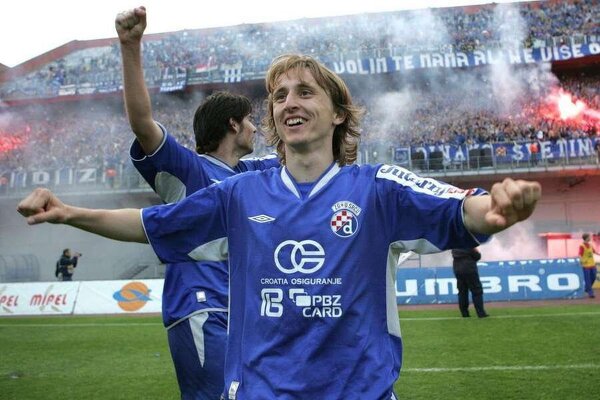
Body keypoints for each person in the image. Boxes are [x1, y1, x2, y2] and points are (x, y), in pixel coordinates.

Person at [17, 54, 542, 399]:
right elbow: (153, 225)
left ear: (339, 114)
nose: (290, 101)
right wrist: (68, 212)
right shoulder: (239, 194)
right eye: (280, 95)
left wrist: (496, 208)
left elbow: (460, 209)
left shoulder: (378, 189)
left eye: (305, 92)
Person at [115, 7, 279, 400]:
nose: (256, 128)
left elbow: (300, 158)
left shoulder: (250, 172)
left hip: (244, 311)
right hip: (202, 309)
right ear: (233, 124)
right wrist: (131, 47)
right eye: (250, 120)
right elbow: (142, 124)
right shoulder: (189, 170)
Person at [451, 247, 488, 318]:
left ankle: (464, 313)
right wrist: (476, 250)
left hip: (457, 269)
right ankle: (481, 313)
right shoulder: (469, 244)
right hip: (469, 268)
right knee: (477, 291)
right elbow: (477, 256)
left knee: (462, 292)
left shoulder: (454, 246)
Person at [579, 233, 599, 298]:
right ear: (586, 238)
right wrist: (581, 261)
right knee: (587, 279)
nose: (590, 238)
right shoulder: (582, 246)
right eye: (589, 237)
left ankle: (587, 288)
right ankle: (590, 293)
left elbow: (594, 252)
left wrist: (599, 254)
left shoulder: (590, 245)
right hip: (586, 265)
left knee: (593, 277)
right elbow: (580, 255)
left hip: (592, 264)